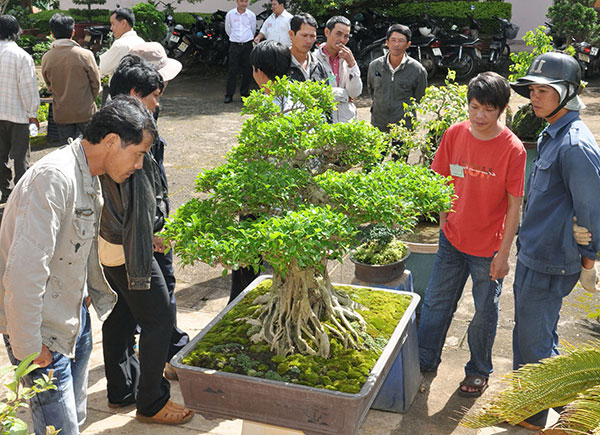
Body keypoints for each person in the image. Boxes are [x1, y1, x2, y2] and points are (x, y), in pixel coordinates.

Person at [0, 96, 156, 435]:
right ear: (112, 141)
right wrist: (28, 346)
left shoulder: (87, 172)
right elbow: (24, 273)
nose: (139, 165)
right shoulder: (53, 178)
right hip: (43, 335)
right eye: (139, 154)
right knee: (61, 429)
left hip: (73, 319)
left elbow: (73, 243)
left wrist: (84, 290)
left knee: (76, 419)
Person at [418, 72, 526, 398]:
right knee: (436, 303)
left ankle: (479, 369)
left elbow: (514, 205)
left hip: (488, 249)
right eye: (474, 107)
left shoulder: (513, 149)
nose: (479, 116)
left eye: (488, 110)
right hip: (451, 240)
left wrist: (504, 253)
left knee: (484, 312)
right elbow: (439, 181)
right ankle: (424, 358)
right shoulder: (454, 134)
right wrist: (443, 221)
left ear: (502, 109)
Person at [99, 54, 193, 425]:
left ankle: (121, 389)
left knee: (124, 311)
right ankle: (151, 402)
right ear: (136, 94)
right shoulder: (129, 134)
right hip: (130, 245)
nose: (158, 103)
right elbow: (137, 194)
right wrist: (154, 231)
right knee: (157, 318)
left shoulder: (110, 121)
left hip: (114, 242)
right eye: (154, 95)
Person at [509, 51, 600, 431]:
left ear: (567, 93)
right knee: (538, 332)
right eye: (532, 89)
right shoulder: (552, 132)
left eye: (545, 90)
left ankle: (531, 412)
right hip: (535, 252)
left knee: (531, 339)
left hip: (550, 258)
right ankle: (565, 399)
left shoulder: (575, 145)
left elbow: (591, 209)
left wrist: (589, 261)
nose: (535, 96)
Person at [124, 42, 190, 378]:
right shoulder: (125, 127)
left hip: (156, 213)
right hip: (146, 222)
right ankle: (164, 358)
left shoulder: (149, 111)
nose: (161, 92)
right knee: (157, 295)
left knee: (154, 293)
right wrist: (154, 226)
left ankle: (161, 352)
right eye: (156, 88)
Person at [41, 13, 101, 145]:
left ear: (52, 34)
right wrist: (90, 98)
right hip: (85, 111)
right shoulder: (85, 55)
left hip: (62, 112)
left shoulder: (47, 57)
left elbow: (49, 85)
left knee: (66, 152)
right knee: (92, 147)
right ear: (73, 32)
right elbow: (96, 83)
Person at [0, 14, 39, 203]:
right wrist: (33, 114)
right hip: (19, 116)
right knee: (21, 157)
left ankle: (6, 191)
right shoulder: (22, 56)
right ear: (16, 32)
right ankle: (21, 194)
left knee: (0, 156)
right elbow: (28, 88)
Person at [367, 24, 427, 133]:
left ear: (408, 44)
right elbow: (372, 90)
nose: (396, 44)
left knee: (402, 150)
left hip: (403, 126)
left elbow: (420, 97)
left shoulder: (417, 70)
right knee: (379, 150)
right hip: (379, 123)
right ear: (387, 42)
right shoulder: (374, 66)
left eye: (401, 41)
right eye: (393, 40)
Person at [313, 15, 362, 123]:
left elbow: (355, 93)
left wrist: (352, 64)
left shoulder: (347, 58)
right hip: (325, 123)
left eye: (346, 36)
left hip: (348, 122)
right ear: (327, 32)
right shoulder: (314, 59)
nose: (342, 40)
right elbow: (317, 93)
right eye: (338, 34)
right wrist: (345, 95)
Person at [224, 0, 256, 104]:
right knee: (232, 71)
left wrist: (245, 38)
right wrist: (236, 38)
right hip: (234, 45)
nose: (244, 3)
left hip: (247, 45)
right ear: (237, 1)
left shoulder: (251, 15)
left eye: (246, 1)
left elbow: (253, 29)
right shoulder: (230, 14)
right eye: (242, 1)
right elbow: (228, 29)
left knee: (247, 70)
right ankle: (229, 95)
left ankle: (244, 94)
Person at [99, 8, 144, 78]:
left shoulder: (120, 44)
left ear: (123, 23)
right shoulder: (141, 41)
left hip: (123, 87)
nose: (111, 28)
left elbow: (103, 68)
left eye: (113, 24)